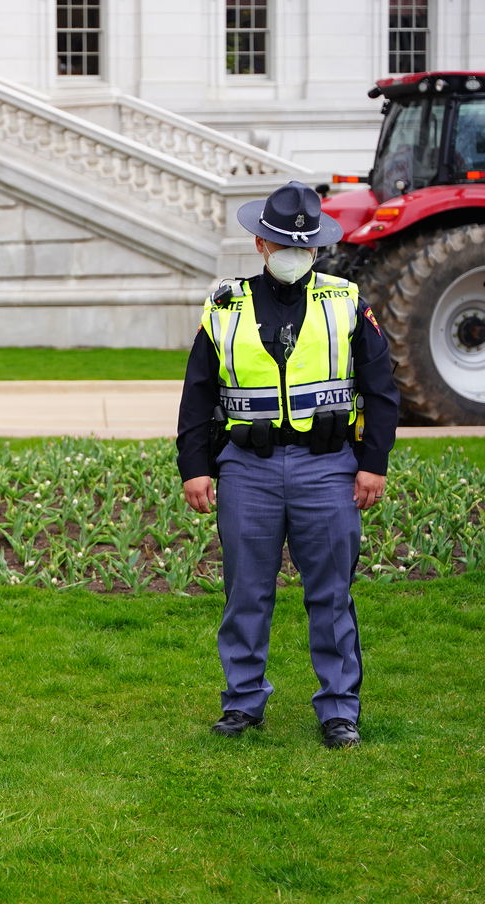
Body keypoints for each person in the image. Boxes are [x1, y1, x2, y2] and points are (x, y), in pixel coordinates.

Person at [175, 180, 400, 750]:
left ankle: (338, 710)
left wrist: (372, 463)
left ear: (317, 247)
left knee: (330, 594)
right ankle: (243, 703)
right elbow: (198, 393)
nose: (294, 254)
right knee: (246, 591)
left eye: (305, 244)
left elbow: (381, 388)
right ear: (260, 244)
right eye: (283, 243)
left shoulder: (346, 301)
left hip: (326, 467)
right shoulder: (224, 306)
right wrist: (193, 467)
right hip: (247, 469)